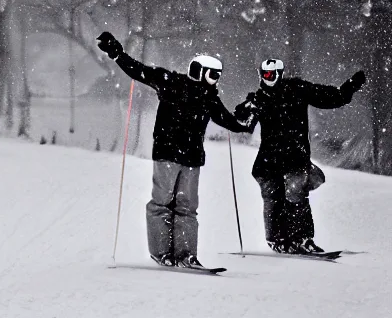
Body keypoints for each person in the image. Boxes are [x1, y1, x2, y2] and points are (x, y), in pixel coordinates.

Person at [96, 32, 248, 268]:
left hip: (192, 158)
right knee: (161, 202)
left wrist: (247, 115)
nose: (217, 80)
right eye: (214, 74)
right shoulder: (171, 81)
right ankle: (161, 252)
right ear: (200, 71)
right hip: (167, 153)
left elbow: (231, 122)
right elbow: (139, 70)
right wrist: (117, 53)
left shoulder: (209, 99)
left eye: (218, 75)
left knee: (187, 207)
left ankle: (186, 254)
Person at [234, 58, 366, 254]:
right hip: (269, 162)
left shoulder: (296, 89)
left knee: (296, 196)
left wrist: (351, 86)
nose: (266, 79)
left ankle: (302, 239)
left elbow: (332, 97)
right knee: (273, 199)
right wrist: (242, 112)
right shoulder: (259, 98)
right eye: (263, 75)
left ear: (279, 73)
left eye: (270, 75)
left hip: (295, 158)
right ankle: (277, 240)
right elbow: (244, 124)